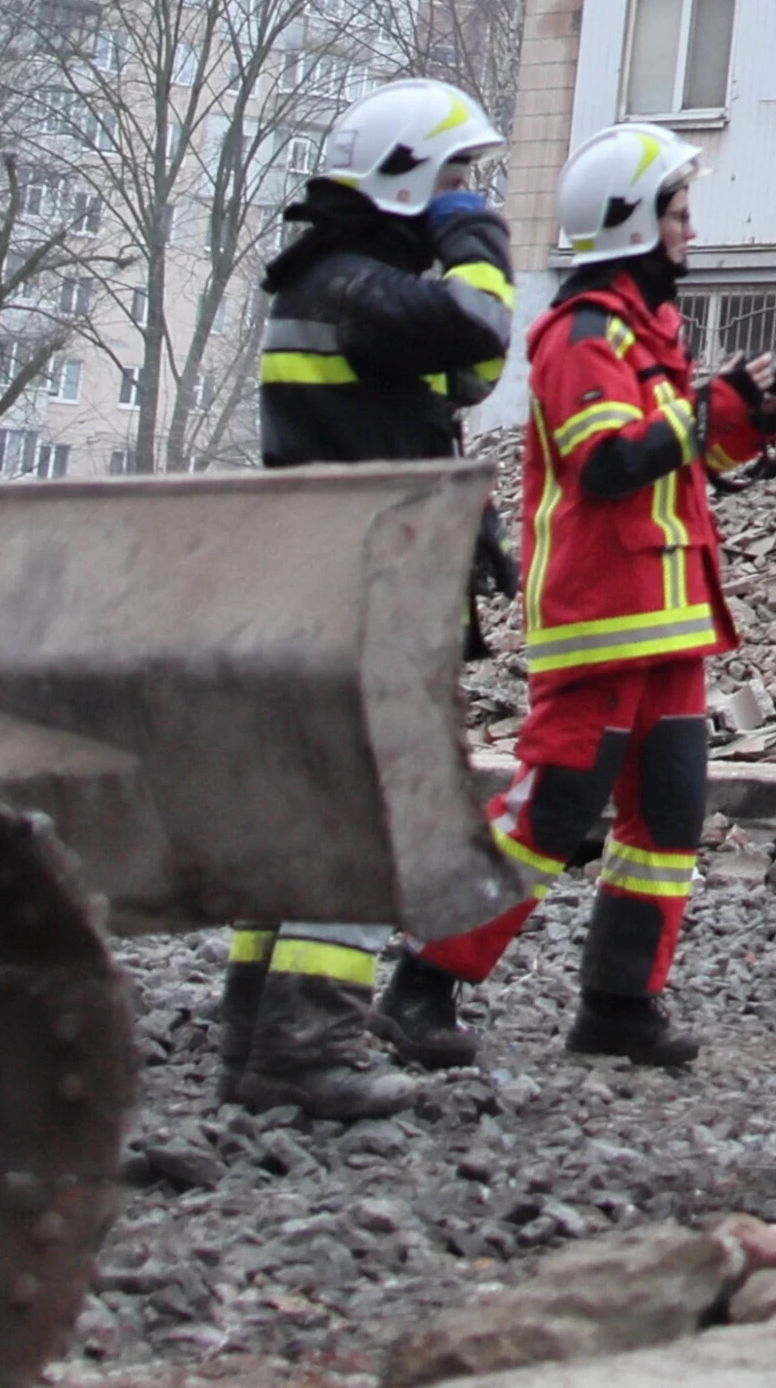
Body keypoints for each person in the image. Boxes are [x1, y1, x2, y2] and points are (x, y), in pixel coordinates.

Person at [385, 121, 776, 1070]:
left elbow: (687, 460)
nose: (689, 232)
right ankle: (424, 975)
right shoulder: (580, 335)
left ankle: (620, 1003)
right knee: (554, 807)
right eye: (677, 214)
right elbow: (609, 463)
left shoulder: (643, 329)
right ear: (629, 223)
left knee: (666, 818)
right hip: (599, 617)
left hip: (664, 620)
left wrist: (739, 416)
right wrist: (700, 409)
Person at [223, 80, 519, 1121]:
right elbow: (483, 319)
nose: (470, 193)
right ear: (405, 182)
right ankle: (305, 1046)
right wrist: (478, 236)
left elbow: (470, 372)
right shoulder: (354, 286)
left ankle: (256, 1024)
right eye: (455, 176)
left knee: (312, 815)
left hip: (328, 582)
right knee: (365, 819)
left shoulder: (338, 285)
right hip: (368, 590)